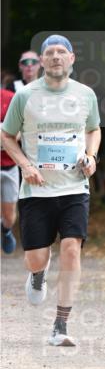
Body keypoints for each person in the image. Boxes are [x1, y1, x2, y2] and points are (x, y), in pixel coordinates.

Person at [0, 34, 101, 347]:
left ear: (71, 59)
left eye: (62, 52)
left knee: (72, 247)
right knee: (36, 257)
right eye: (50, 53)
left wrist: (92, 157)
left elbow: (93, 129)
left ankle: (60, 324)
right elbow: (6, 136)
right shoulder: (26, 96)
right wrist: (25, 166)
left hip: (74, 187)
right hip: (36, 191)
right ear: (41, 62)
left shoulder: (85, 95)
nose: (56, 57)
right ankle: (37, 275)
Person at [1, 87, 19, 253]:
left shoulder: (11, 98)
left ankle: (5, 229)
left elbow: (22, 128)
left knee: (9, 216)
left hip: (9, 165)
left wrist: (7, 139)